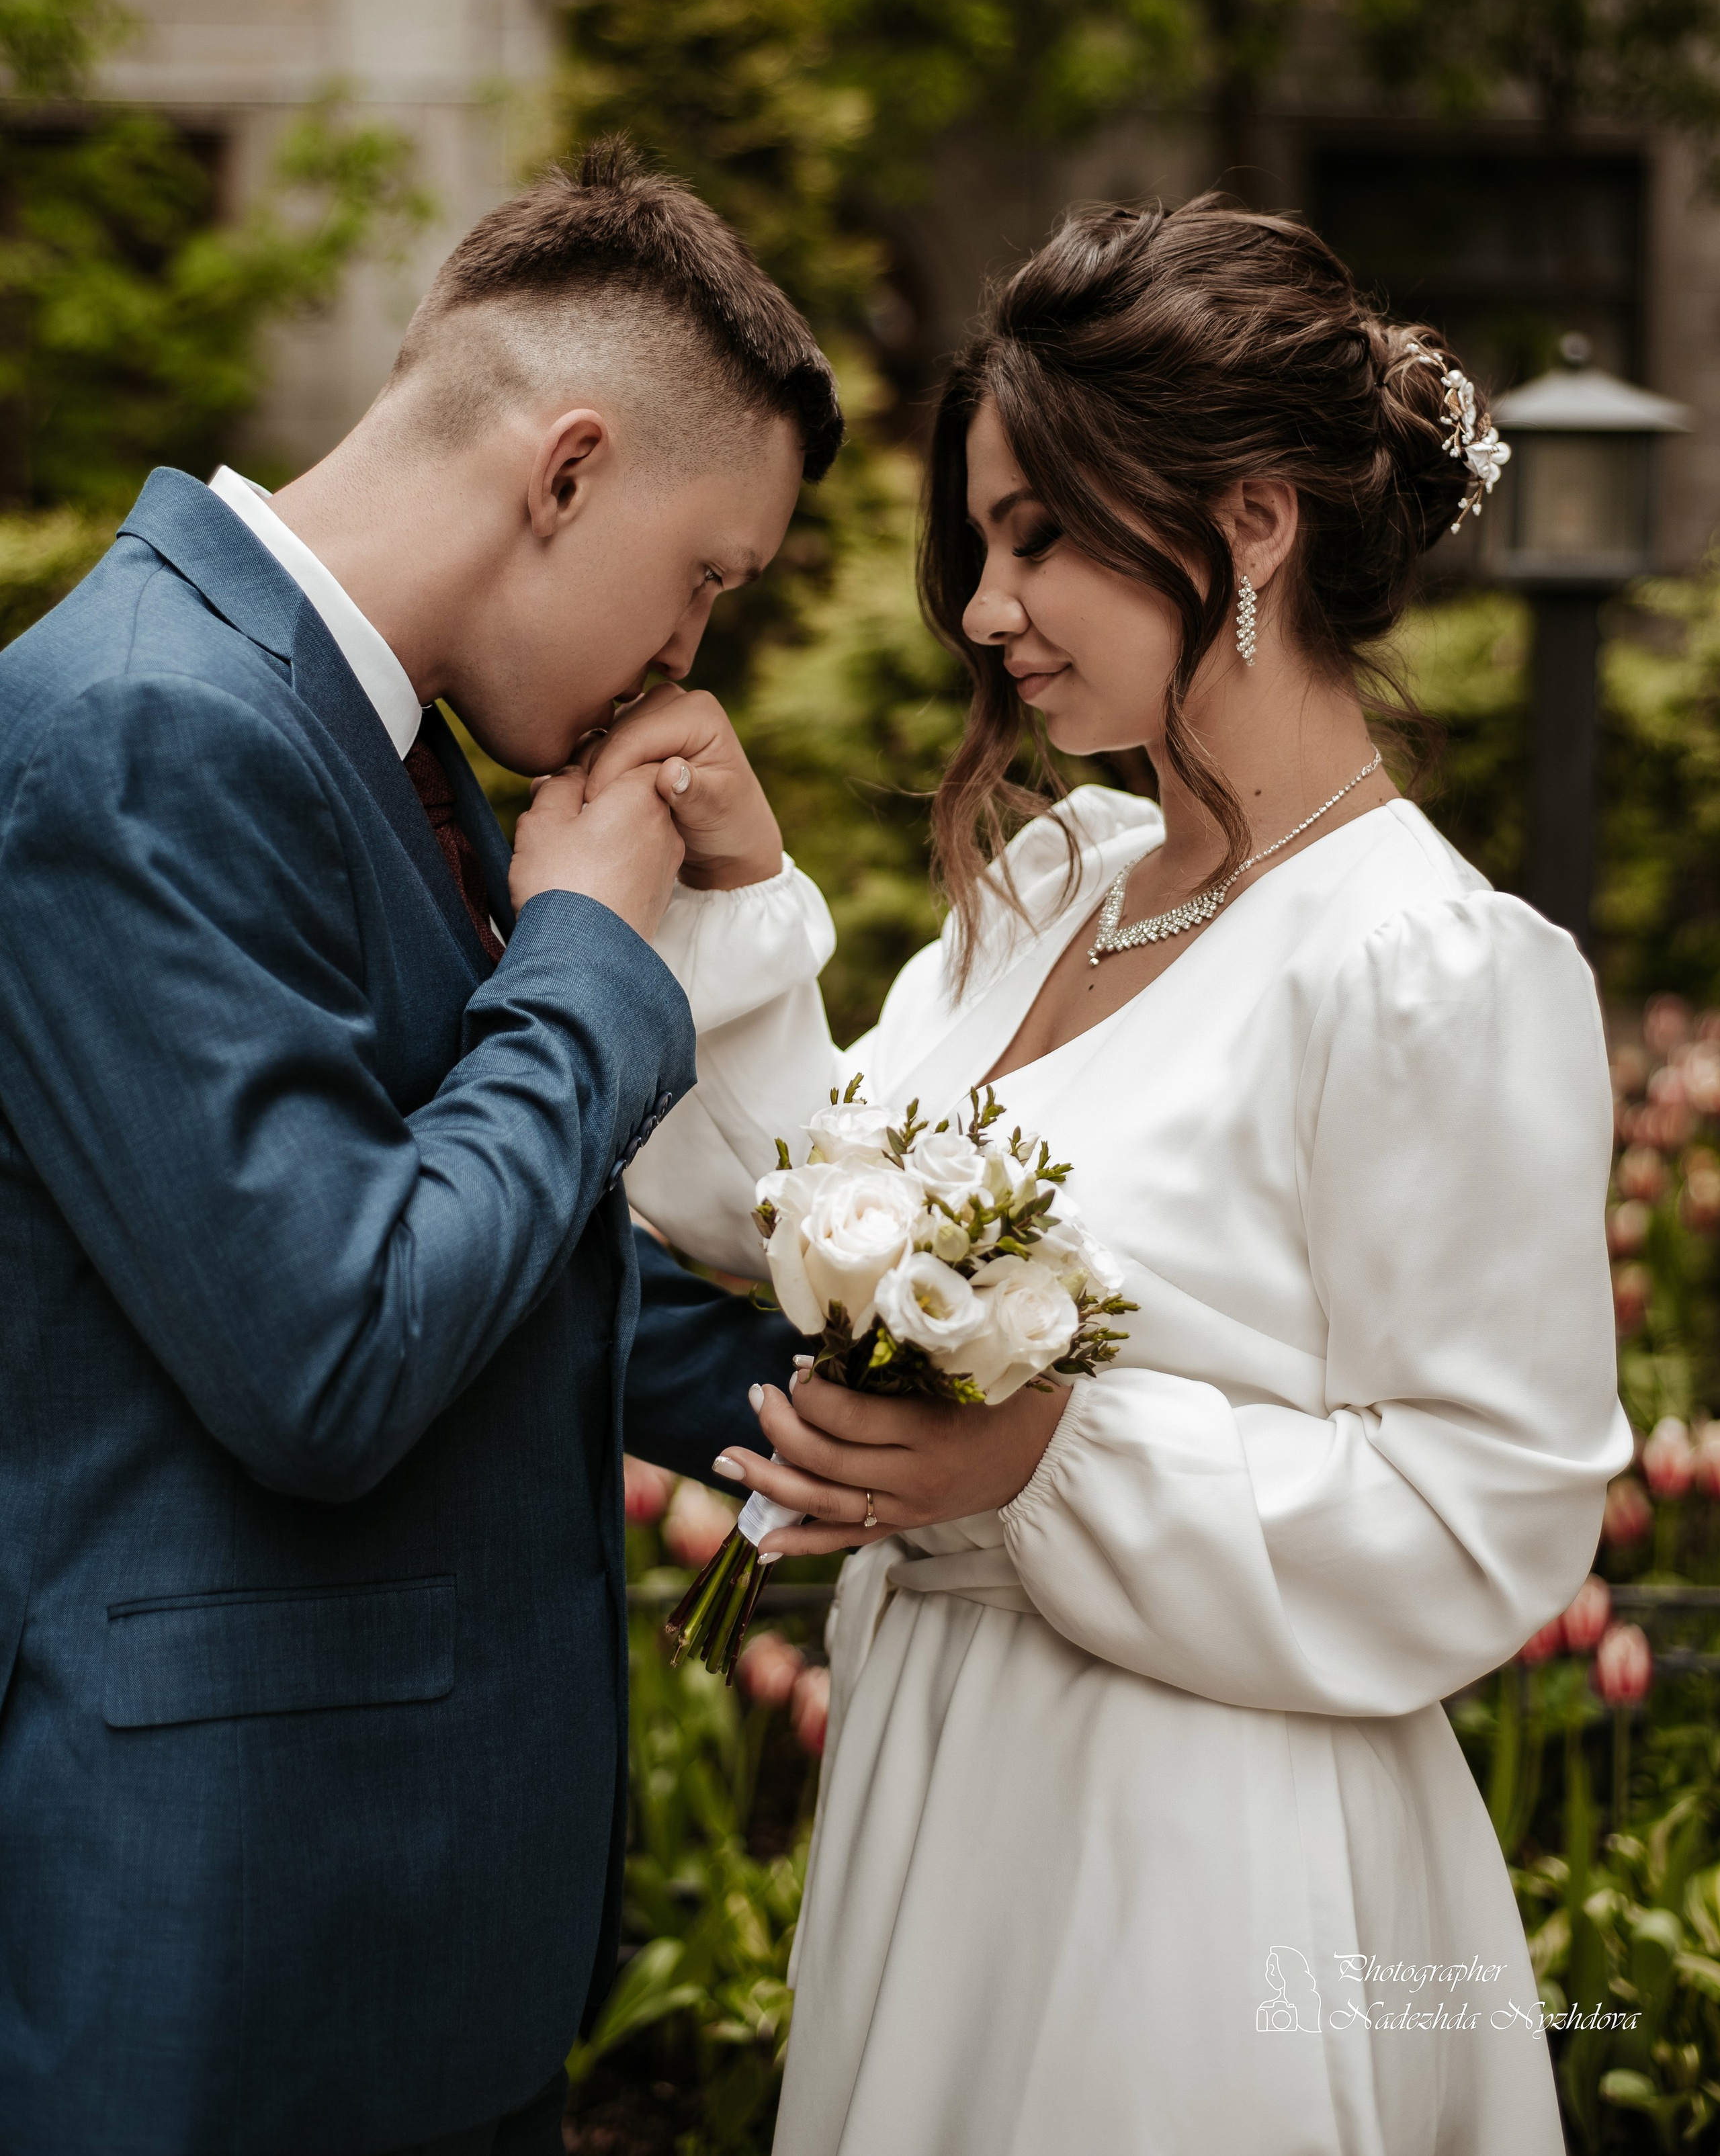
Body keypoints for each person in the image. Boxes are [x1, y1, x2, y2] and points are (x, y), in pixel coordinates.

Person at [608, 196, 1633, 2154]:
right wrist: (737, 891)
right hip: (944, 1789)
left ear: (1251, 526)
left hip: (1201, 1846)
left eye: (1041, 536)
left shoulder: (1426, 964)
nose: (986, 610)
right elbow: (818, 1220)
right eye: (983, 544)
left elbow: (1491, 1512)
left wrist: (1055, 1461)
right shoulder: (1063, 873)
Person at [0, 144, 844, 2156]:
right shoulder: (134, 726)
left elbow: (493, 1240)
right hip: (230, 1952)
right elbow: (334, 1342)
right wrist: (582, 956)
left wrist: (846, 1399)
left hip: (417, 1921)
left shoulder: (381, 735)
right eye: (706, 573)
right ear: (562, 472)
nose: (686, 652)